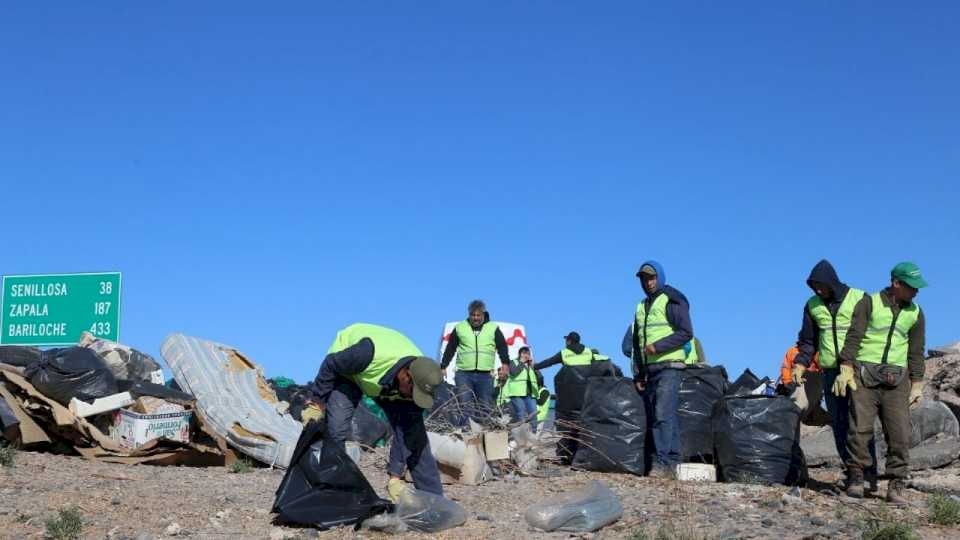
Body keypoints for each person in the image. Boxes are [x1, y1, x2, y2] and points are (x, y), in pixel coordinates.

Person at [304, 323, 444, 500]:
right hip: (347, 372)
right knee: (336, 429)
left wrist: (395, 477)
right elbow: (331, 364)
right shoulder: (365, 354)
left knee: (415, 436)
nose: (414, 398)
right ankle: (331, 492)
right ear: (406, 376)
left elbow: (405, 434)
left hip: (381, 380)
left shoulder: (422, 377)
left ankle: (434, 500)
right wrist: (316, 402)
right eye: (414, 392)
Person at [836, 262, 928, 504]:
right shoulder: (869, 303)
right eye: (911, 287)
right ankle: (857, 478)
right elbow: (854, 335)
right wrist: (846, 367)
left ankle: (896, 484)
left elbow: (917, 351)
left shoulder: (916, 313)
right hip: (864, 376)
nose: (916, 292)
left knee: (900, 433)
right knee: (860, 429)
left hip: (897, 380)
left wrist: (917, 383)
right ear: (896, 284)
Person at [791, 259, 878, 491]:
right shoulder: (812, 305)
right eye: (814, 287)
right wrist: (800, 363)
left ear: (832, 282)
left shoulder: (859, 298)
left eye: (822, 286)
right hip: (830, 372)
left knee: (860, 423)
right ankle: (852, 473)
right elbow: (809, 341)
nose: (819, 290)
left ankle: (868, 474)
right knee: (838, 421)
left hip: (859, 370)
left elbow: (871, 333)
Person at [632, 260, 696, 478]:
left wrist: (657, 347)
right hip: (651, 369)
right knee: (665, 415)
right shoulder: (641, 306)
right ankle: (672, 462)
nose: (648, 282)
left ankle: (663, 463)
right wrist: (640, 372)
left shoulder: (672, 300)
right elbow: (637, 342)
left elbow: (686, 333)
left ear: (660, 277)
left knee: (662, 414)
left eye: (651, 277)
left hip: (670, 366)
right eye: (644, 278)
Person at [440, 300, 511, 422]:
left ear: (484, 314)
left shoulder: (493, 328)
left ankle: (484, 433)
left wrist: (505, 364)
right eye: (473, 315)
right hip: (464, 373)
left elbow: (502, 347)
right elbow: (450, 348)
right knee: (465, 405)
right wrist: (443, 366)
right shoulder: (460, 327)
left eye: (478, 315)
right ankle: (466, 435)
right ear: (469, 314)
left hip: (486, 375)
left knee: (485, 406)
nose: (475, 318)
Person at [500, 346, 540, 431]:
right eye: (525, 354)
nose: (527, 356)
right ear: (520, 354)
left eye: (528, 354)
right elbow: (514, 373)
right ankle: (522, 434)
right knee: (521, 415)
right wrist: (521, 362)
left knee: (534, 414)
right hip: (517, 393)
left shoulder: (530, 364)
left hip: (530, 394)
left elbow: (540, 378)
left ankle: (533, 433)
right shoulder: (513, 362)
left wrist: (535, 368)